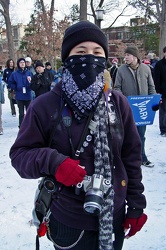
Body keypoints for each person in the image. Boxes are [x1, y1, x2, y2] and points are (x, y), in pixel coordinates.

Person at [10, 21, 147, 250]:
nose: (89, 58)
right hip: (68, 220)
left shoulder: (117, 103)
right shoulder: (45, 106)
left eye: (97, 52)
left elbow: (131, 157)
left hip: (113, 216)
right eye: (81, 52)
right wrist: (55, 163)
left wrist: (136, 205)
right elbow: (20, 156)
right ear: (67, 57)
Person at [114, 46, 156, 168]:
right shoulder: (121, 70)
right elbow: (117, 88)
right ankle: (126, 159)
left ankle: (142, 157)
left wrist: (153, 101)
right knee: (126, 135)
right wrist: (124, 101)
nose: (125, 57)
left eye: (128, 55)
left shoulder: (146, 69)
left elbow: (151, 87)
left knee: (141, 135)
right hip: (128, 108)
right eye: (125, 55)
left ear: (135, 56)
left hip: (143, 108)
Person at [8, 58, 33, 128]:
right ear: (18, 64)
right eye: (21, 62)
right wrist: (16, 87)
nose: (22, 63)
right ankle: (21, 126)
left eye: (23, 62)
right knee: (21, 113)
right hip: (19, 95)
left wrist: (31, 86)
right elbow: (10, 83)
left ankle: (29, 126)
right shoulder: (14, 74)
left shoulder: (29, 73)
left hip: (28, 95)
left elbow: (33, 81)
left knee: (29, 112)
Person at [153, 46, 166, 137]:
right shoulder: (159, 64)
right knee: (163, 112)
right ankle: (163, 129)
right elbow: (156, 79)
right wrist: (157, 92)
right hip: (163, 91)